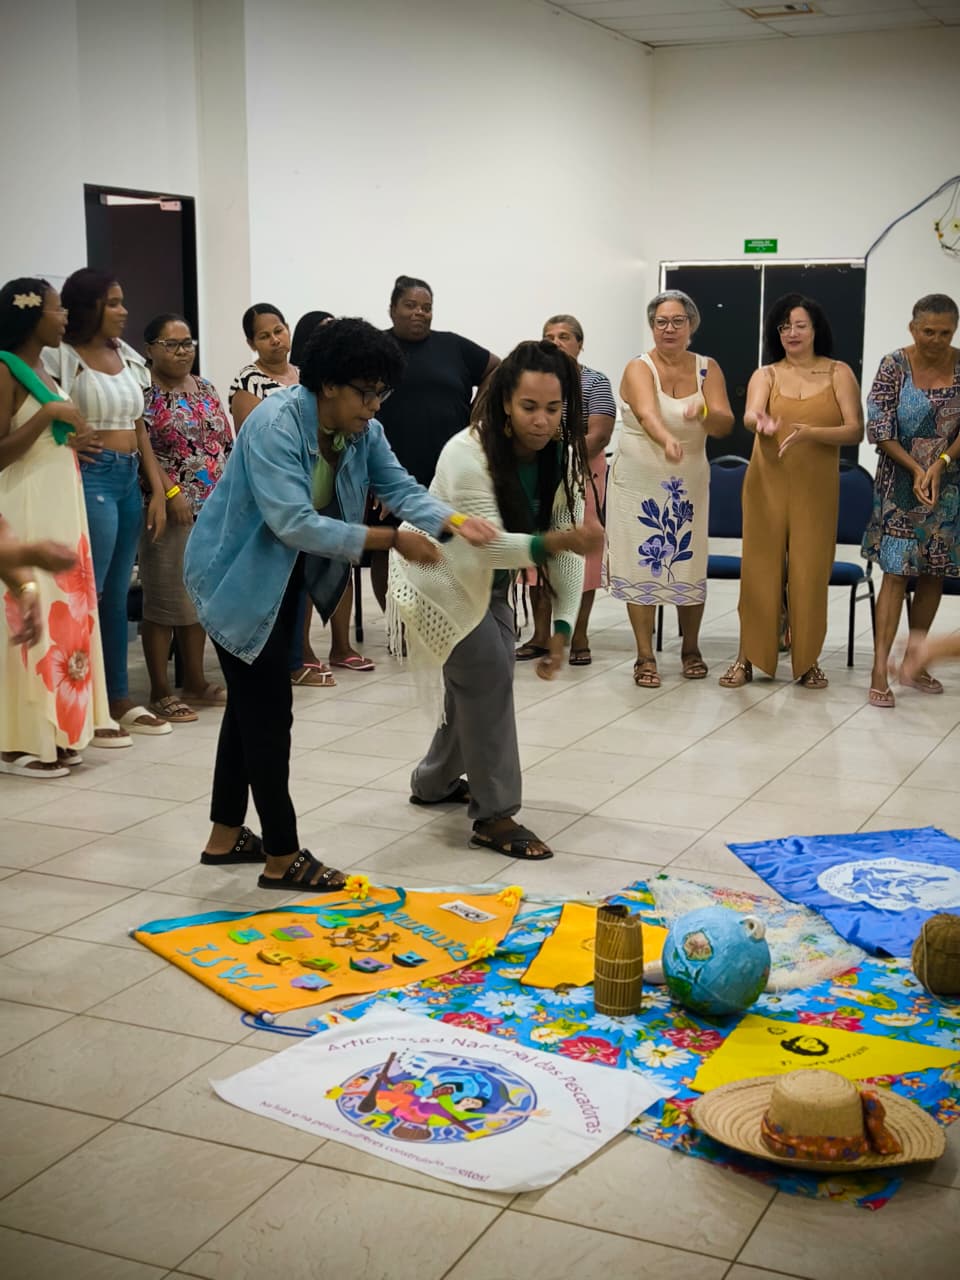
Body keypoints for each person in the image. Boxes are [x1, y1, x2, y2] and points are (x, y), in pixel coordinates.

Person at [184, 318, 495, 890]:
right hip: (236, 578)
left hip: (284, 577)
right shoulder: (275, 424)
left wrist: (453, 521)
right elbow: (292, 522)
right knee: (268, 715)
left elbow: (397, 486)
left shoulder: (362, 429)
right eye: (366, 393)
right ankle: (282, 857)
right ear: (328, 383)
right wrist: (390, 539)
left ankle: (224, 836)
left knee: (250, 709)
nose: (374, 406)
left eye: (382, 394)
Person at [391, 340, 602, 861]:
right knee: (487, 673)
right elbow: (484, 544)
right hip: (435, 573)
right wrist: (556, 543)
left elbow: (568, 546)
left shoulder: (562, 455)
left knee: (477, 681)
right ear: (505, 400)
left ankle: (433, 781)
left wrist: (562, 628)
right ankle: (495, 816)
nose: (541, 420)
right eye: (529, 406)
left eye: (553, 408)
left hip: (490, 579)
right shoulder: (467, 452)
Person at [42, 268, 171, 738]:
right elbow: (40, 413)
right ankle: (85, 703)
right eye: (113, 303)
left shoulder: (126, 355)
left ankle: (118, 697)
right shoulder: (61, 356)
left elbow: (140, 428)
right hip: (91, 477)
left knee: (116, 596)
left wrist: (158, 489)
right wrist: (64, 445)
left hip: (127, 477)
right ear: (88, 307)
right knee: (87, 595)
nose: (123, 311)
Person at [0, 277, 118, 777]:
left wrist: (67, 440)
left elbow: (42, 439)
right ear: (31, 315)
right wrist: (47, 413)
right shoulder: (4, 369)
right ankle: (17, 741)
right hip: (24, 506)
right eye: (56, 308)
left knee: (64, 614)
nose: (65, 315)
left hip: (59, 502)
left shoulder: (44, 368)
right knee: (30, 613)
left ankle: (59, 731)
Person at [719, 293, 863, 690]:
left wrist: (811, 432)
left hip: (816, 489)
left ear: (816, 329)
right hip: (766, 483)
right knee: (759, 572)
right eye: (784, 327)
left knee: (809, 574)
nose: (792, 333)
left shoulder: (838, 373)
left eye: (800, 325)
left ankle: (807, 659)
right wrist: (760, 422)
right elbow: (751, 414)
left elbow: (855, 430)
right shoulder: (766, 374)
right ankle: (747, 657)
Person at [606, 290, 734, 686]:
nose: (669, 328)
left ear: (691, 325)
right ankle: (645, 656)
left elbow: (724, 422)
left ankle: (690, 649)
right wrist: (666, 439)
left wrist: (705, 410)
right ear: (652, 327)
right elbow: (647, 414)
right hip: (638, 481)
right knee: (642, 562)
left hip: (687, 481)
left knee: (687, 560)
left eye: (678, 321)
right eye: (661, 321)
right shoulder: (639, 367)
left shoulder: (707, 369)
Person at [369, 275, 500, 610]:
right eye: (410, 305)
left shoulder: (452, 346)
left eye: (426, 307)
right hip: (391, 467)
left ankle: (446, 612)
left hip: (448, 467)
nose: (419, 313)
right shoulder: (375, 348)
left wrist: (477, 412)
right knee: (390, 546)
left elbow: (497, 368)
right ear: (392, 309)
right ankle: (397, 619)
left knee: (451, 540)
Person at [861, 294, 960, 708]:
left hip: (946, 488)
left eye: (945, 333)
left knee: (935, 572)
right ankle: (879, 668)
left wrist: (939, 463)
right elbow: (879, 426)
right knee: (896, 573)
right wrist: (916, 468)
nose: (936, 340)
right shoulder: (893, 365)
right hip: (899, 488)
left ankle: (915, 662)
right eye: (928, 331)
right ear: (912, 328)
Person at [139, 313, 234, 722]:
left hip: (212, 509)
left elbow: (224, 443)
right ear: (150, 349)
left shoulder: (205, 386)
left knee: (197, 598)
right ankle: (160, 689)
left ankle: (194, 680)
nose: (182, 352)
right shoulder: (144, 392)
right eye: (172, 344)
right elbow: (141, 449)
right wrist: (172, 492)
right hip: (168, 508)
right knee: (165, 598)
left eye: (187, 343)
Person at [515, 314, 616, 666]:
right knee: (537, 552)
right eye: (549, 336)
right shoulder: (533, 382)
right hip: (538, 472)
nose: (556, 342)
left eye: (564, 336)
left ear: (580, 344)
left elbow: (599, 433)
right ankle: (540, 635)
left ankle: (579, 635)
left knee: (579, 556)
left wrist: (564, 460)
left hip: (581, 473)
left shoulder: (594, 381)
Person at [290, 309, 370, 674]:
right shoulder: (293, 400)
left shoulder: (355, 397)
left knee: (341, 563)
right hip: (298, 501)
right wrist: (391, 538)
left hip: (336, 493)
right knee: (303, 570)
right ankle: (302, 649)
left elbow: (377, 457)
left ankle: (342, 646)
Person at [228, 303, 299, 430]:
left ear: (288, 329)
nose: (275, 340)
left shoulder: (303, 374)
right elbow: (249, 438)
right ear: (251, 344)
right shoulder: (248, 382)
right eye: (264, 336)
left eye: (278, 331)